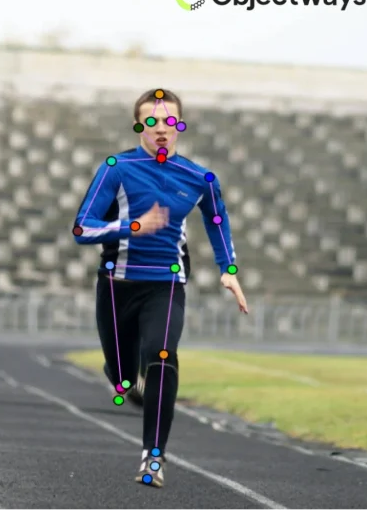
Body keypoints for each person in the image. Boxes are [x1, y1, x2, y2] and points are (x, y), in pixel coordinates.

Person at [72, 88, 248, 488]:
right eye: (152, 122)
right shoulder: (116, 168)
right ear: (139, 126)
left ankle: (154, 458)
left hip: (165, 285)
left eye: (170, 123)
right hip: (116, 285)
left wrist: (229, 269)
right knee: (120, 375)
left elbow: (217, 220)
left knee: (162, 355)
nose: (162, 130)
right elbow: (82, 229)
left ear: (179, 127)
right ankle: (123, 378)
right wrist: (133, 226)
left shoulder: (199, 177)